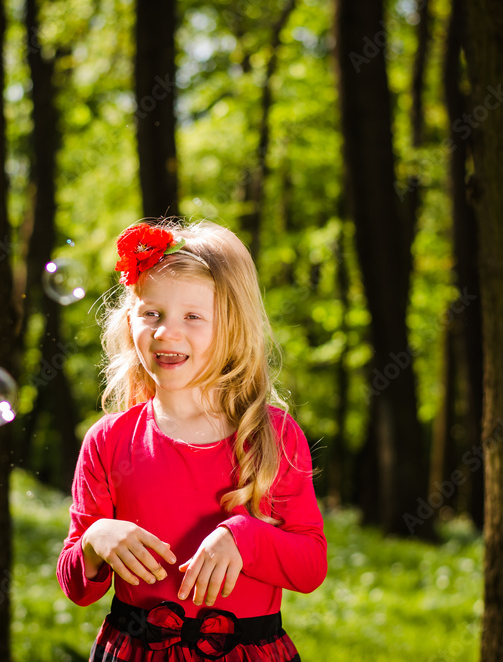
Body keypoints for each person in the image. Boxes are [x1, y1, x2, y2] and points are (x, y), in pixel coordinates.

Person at [57, 219, 327, 661]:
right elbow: (76, 587)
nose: (166, 332)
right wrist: (95, 539)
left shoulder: (271, 436)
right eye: (152, 313)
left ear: (232, 328)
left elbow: (310, 566)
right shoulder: (109, 440)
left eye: (193, 316)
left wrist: (246, 538)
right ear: (129, 320)